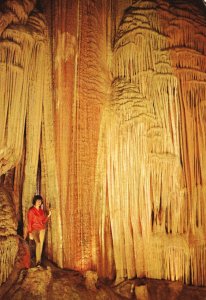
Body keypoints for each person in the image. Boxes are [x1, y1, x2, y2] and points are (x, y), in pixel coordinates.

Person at [27, 195, 51, 267]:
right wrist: (30, 232)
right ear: (35, 201)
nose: (39, 202)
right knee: (38, 243)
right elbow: (29, 222)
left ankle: (38, 261)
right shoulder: (31, 211)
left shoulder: (41, 211)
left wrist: (48, 216)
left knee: (40, 245)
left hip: (42, 229)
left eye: (40, 201)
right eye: (38, 201)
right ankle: (37, 261)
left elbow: (43, 221)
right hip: (34, 229)